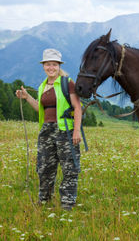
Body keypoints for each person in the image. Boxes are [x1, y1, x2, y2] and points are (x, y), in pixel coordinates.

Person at [16, 48, 82, 211]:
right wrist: (27, 98)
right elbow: (41, 109)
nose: (50, 67)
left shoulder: (67, 83)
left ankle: (67, 204)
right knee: (44, 168)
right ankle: (44, 200)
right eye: (47, 64)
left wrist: (76, 131)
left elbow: (78, 108)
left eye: (54, 64)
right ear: (43, 66)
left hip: (65, 130)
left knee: (69, 168)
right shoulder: (42, 86)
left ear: (59, 65)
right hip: (46, 131)